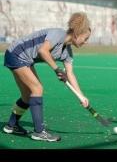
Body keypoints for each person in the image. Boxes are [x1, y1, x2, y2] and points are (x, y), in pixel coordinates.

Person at [2, 12, 91, 142]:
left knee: (28, 95)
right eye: (85, 38)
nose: (86, 42)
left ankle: (11, 125)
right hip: (16, 54)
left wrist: (81, 95)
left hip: (25, 59)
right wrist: (56, 69)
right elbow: (42, 51)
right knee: (37, 89)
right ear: (77, 34)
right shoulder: (58, 34)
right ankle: (39, 132)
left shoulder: (68, 53)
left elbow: (70, 74)